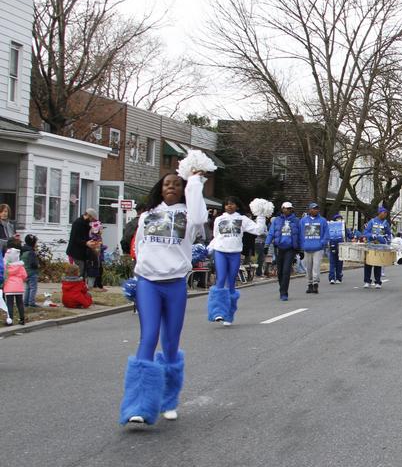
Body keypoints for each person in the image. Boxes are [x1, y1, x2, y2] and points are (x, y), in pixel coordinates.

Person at [119, 170, 208, 425]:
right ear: (160, 188)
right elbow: (139, 248)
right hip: (148, 282)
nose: (171, 187)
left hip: (175, 284)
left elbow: (201, 214)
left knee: (170, 342)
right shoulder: (146, 215)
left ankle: (168, 401)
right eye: (167, 184)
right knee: (148, 338)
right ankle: (138, 406)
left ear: (182, 190)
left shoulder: (189, 216)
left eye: (176, 184)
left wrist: (194, 182)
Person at [207, 196, 266, 325]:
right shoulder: (219, 219)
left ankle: (228, 315)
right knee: (221, 279)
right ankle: (217, 312)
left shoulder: (242, 219)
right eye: (227, 204)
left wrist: (261, 215)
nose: (229, 206)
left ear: (237, 206)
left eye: (232, 204)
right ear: (224, 206)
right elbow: (216, 236)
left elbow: (258, 230)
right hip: (220, 252)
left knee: (231, 282)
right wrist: (209, 248)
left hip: (234, 253)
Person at [264, 202, 301, 301]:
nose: (287, 210)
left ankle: (284, 293)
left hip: (290, 248)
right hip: (279, 248)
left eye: (289, 209)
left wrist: (300, 249)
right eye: (285, 208)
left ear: (292, 209)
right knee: (280, 271)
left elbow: (300, 235)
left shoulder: (296, 220)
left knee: (286, 271)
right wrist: (266, 245)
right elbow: (271, 233)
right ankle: (282, 288)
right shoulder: (276, 220)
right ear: (282, 209)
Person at [298, 202, 329, 294]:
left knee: (316, 267)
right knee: (308, 267)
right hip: (307, 247)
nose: (315, 210)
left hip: (318, 248)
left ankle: (315, 284)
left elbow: (326, 234)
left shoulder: (322, 221)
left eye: (316, 209)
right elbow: (300, 234)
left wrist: (322, 243)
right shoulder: (303, 221)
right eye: (313, 208)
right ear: (309, 210)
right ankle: (309, 284)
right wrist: (302, 246)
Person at [362, 207, 392, 288]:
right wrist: (371, 235)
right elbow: (365, 232)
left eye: (386, 213)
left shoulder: (386, 223)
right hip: (370, 245)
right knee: (368, 263)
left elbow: (389, 234)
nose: (385, 214)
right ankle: (367, 281)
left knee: (378, 264)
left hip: (380, 246)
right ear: (379, 213)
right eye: (384, 213)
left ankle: (378, 282)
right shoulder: (371, 222)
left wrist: (387, 238)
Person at [66, 208, 99, 277]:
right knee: (81, 269)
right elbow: (75, 238)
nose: (92, 221)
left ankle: (81, 285)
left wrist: (91, 241)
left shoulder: (86, 224)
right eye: (92, 219)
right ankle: (77, 284)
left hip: (82, 251)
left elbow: (85, 237)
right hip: (75, 251)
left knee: (84, 270)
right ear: (89, 216)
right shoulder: (77, 223)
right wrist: (86, 243)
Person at [3, 247, 27, 326]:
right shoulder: (20, 266)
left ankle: (10, 320)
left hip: (9, 287)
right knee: (20, 303)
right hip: (19, 287)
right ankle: (22, 319)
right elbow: (24, 276)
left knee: (9, 304)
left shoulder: (6, 266)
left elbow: (4, 276)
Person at [20, 234, 39, 308]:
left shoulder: (23, 250)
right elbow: (33, 264)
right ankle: (31, 303)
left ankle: (25, 302)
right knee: (33, 288)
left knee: (28, 287)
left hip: (25, 271)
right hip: (32, 272)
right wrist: (37, 265)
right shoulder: (31, 252)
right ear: (33, 243)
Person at [327, 213, 346, 284]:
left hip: (332, 244)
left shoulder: (330, 225)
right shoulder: (342, 226)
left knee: (332, 262)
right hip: (341, 245)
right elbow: (347, 234)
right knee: (339, 262)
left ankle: (332, 278)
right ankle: (338, 278)